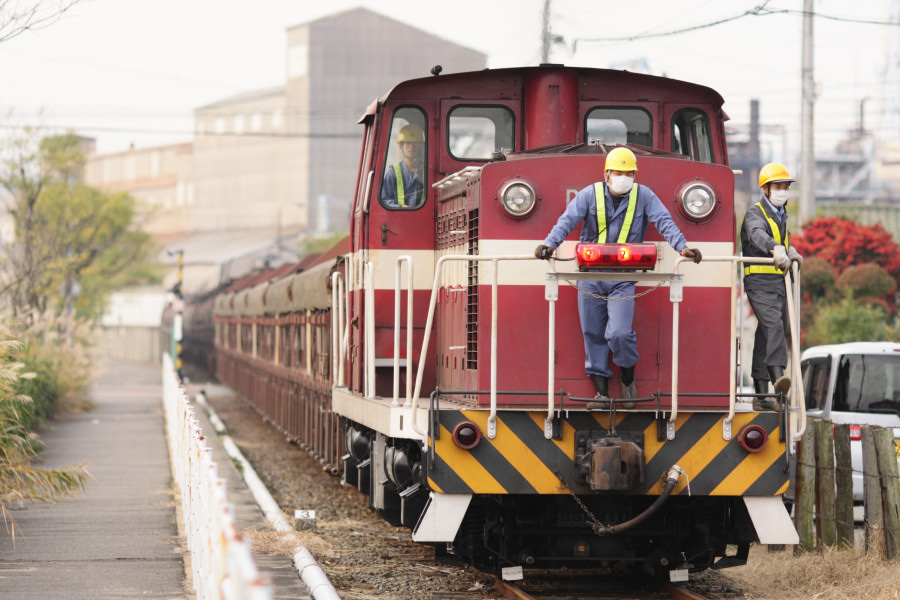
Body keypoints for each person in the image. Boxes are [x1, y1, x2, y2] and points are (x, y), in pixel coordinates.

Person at [534, 147, 701, 409]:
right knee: (593, 333)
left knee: (619, 333)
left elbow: (664, 221)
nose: (623, 177)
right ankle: (601, 394)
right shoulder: (589, 195)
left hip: (623, 277)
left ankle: (627, 377)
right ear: (607, 174)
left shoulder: (644, 196)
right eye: (619, 173)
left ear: (635, 175)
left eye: (629, 173)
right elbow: (567, 220)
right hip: (590, 276)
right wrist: (549, 244)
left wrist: (682, 247)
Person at [740, 162, 803, 410]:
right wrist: (774, 248)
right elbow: (757, 234)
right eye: (778, 186)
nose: (783, 191)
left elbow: (781, 240)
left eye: (786, 187)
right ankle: (779, 380)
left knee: (766, 334)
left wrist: (790, 250)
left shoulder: (781, 214)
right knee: (774, 326)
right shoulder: (755, 212)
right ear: (766, 190)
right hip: (758, 283)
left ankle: (760, 395)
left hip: (778, 282)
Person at [381, 123, 425, 208]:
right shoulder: (392, 173)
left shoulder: (428, 172)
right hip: (399, 218)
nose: (411, 147)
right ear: (401, 146)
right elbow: (384, 200)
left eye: (415, 143)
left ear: (421, 146)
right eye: (408, 143)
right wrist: (400, 207)